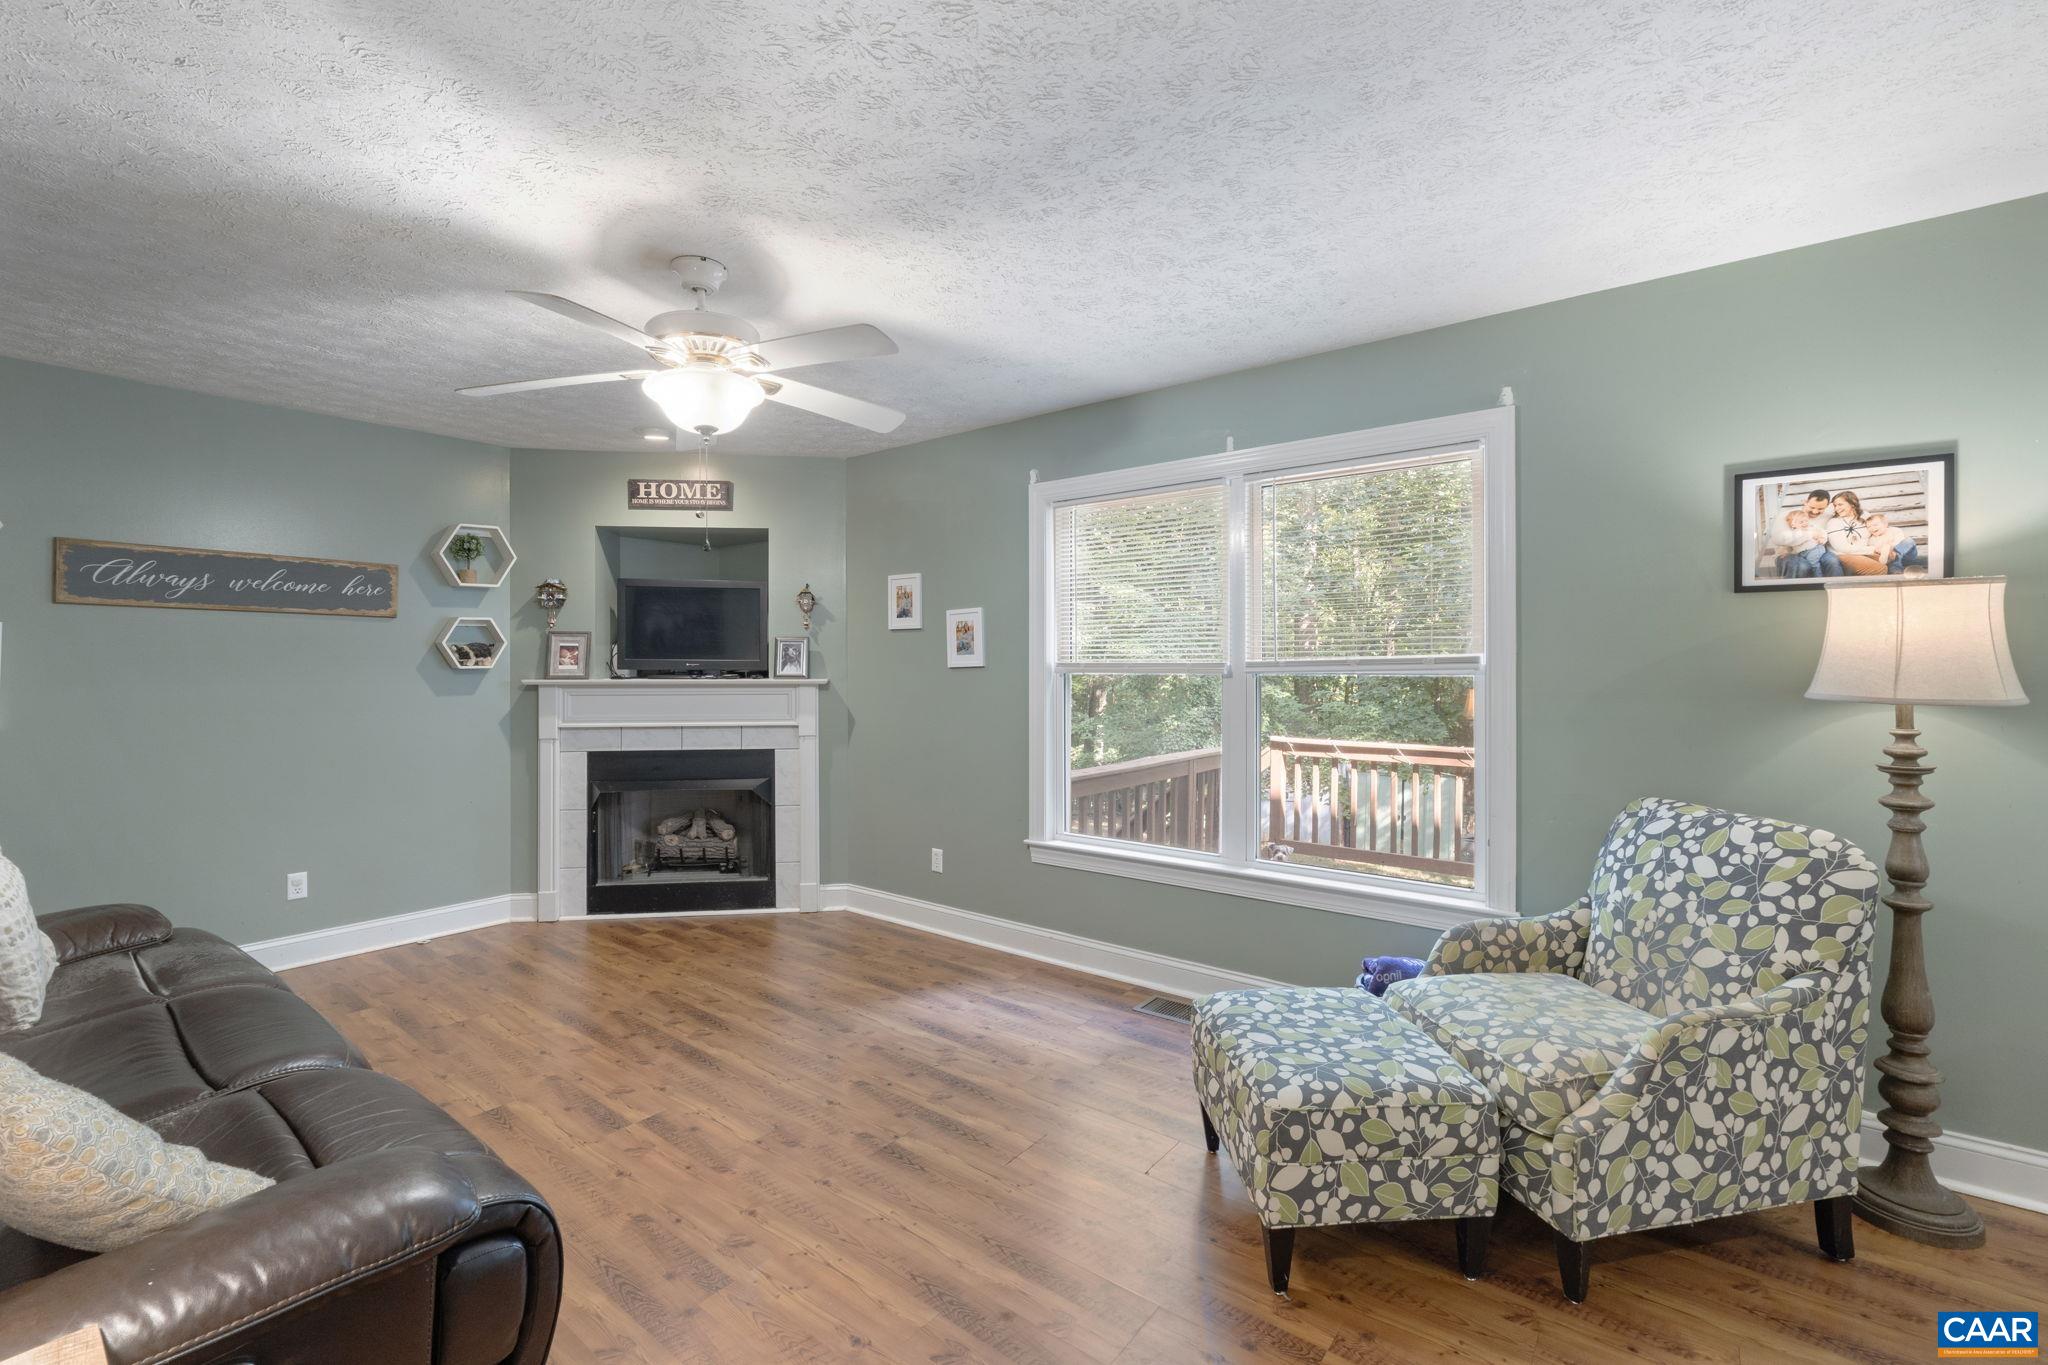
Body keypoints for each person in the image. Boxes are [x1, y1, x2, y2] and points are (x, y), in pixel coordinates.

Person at [1769, 489, 1842, 577]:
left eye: (1820, 509)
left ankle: (1835, 590)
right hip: (1790, 554)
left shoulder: (1828, 517)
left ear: (1827, 506)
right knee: (1803, 566)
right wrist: (1809, 535)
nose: (1815, 512)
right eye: (1812, 507)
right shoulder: (1788, 515)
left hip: (1816, 551)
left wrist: (1822, 538)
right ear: (1805, 502)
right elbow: (1777, 539)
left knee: (1832, 561)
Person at [1822, 491, 1886, 575]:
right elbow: (1842, 548)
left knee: (1891, 557)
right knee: (1879, 569)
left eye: (1840, 504)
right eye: (1835, 505)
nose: (1836, 508)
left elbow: (1875, 531)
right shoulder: (1833, 522)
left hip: (1862, 552)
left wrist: (1882, 546)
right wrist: (1872, 549)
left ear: (1852, 503)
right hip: (1842, 555)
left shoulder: (1865, 516)